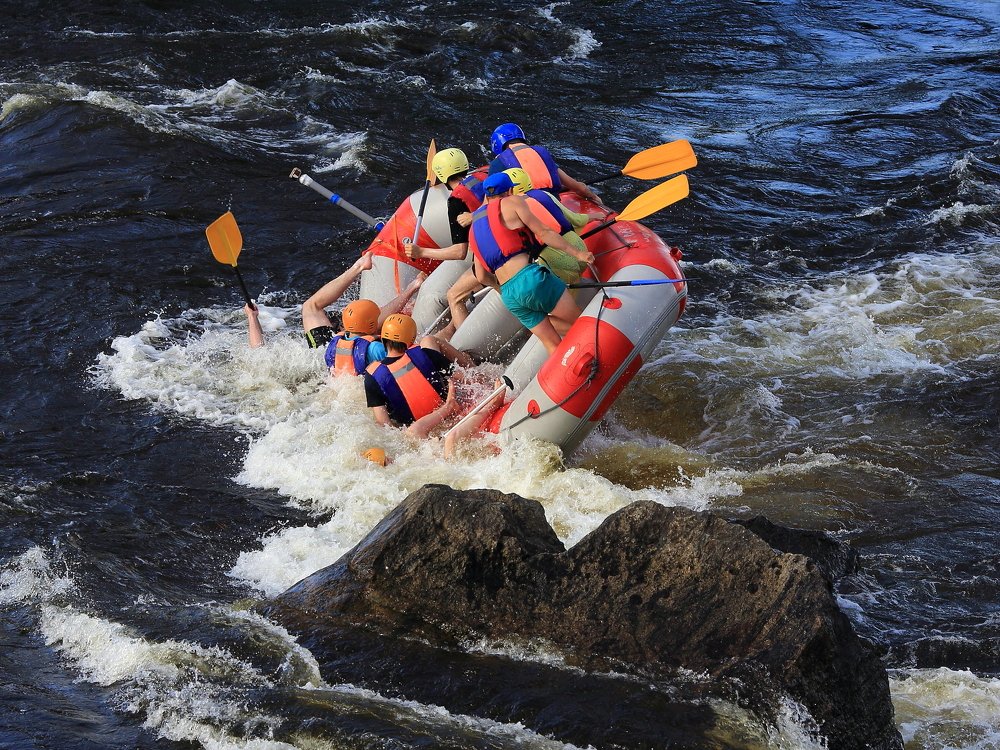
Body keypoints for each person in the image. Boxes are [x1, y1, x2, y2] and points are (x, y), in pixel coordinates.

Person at [469, 172, 594, 354]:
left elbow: (480, 275)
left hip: (510, 296)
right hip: (531, 280)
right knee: (582, 324)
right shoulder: (513, 202)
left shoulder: (474, 227)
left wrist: (502, 289)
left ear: (487, 197)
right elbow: (544, 233)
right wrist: (578, 253)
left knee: (552, 345)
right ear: (511, 190)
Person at [403, 147, 488, 339]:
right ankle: (454, 329)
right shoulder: (483, 179)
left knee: (454, 296)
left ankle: (466, 346)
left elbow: (459, 252)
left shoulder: (456, 201)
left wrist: (421, 252)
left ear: (442, 175)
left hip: (490, 259)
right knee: (470, 288)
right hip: (512, 246)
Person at [364, 313, 471, 438]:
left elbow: (384, 424)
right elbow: (465, 378)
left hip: (419, 433)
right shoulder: (426, 354)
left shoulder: (371, 377)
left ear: (382, 340)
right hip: (449, 418)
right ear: (411, 341)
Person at [503, 167, 604, 284]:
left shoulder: (511, 210)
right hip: (578, 245)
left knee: (565, 293)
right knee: (575, 282)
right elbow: (575, 219)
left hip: (553, 257)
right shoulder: (544, 194)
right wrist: (593, 216)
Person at [487, 123, 601, 204]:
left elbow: (492, 202)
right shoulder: (540, 153)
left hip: (526, 213)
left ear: (496, 145)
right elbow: (576, 186)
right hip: (554, 206)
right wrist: (593, 196)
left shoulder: (497, 164)